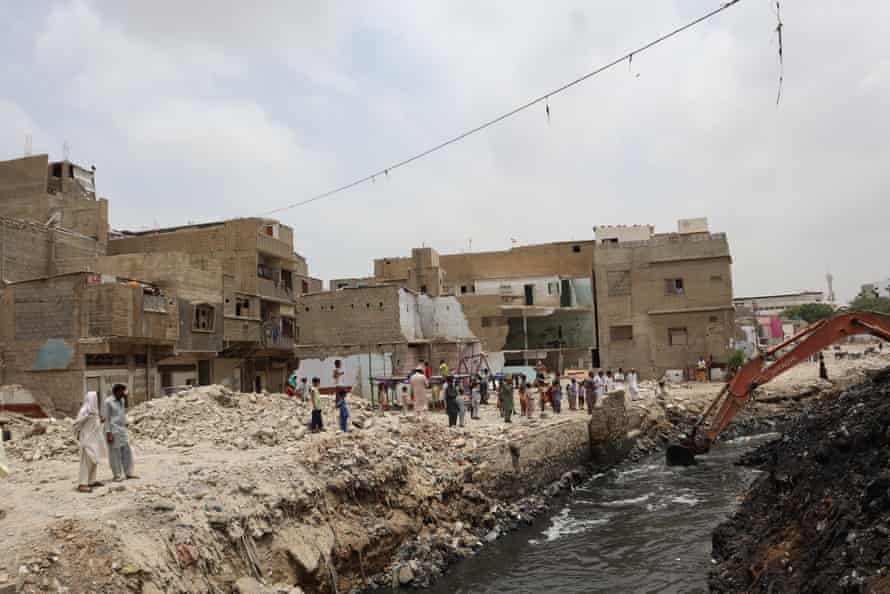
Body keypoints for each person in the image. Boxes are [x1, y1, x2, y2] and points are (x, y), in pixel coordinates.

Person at [75, 391, 106, 493]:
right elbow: (77, 424)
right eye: (95, 398)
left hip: (95, 440)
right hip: (87, 440)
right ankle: (82, 484)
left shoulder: (95, 411)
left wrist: (100, 420)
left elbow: (95, 423)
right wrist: (79, 435)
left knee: (94, 461)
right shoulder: (85, 411)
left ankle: (91, 481)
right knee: (86, 462)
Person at [104, 384, 137, 482]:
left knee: (127, 452)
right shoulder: (108, 402)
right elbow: (107, 418)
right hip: (113, 430)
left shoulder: (122, 400)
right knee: (115, 454)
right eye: (122, 392)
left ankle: (128, 473)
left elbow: (125, 409)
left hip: (122, 430)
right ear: (116, 391)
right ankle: (117, 475)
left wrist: (125, 398)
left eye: (124, 392)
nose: (123, 394)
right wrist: (108, 432)